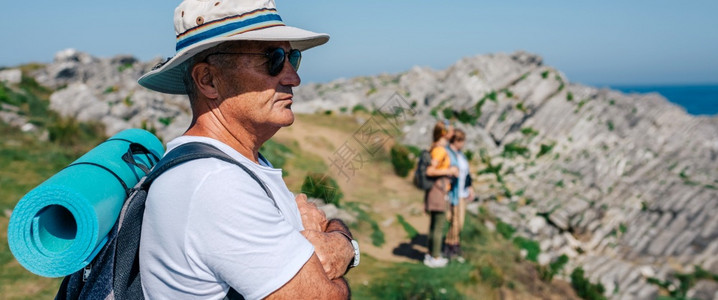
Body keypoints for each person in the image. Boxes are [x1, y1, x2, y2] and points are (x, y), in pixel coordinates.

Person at [136, 1, 358, 299]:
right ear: (208, 80)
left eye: (294, 57)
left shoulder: (234, 164)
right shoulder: (215, 182)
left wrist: (336, 243)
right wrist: (341, 242)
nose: (293, 78)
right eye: (274, 58)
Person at [423, 120, 458, 268]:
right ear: (444, 133)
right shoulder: (440, 150)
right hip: (439, 190)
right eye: (451, 130)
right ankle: (435, 257)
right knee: (438, 225)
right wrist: (449, 171)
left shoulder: (436, 148)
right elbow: (430, 170)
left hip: (436, 190)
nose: (453, 132)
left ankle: (431, 254)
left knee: (434, 224)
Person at [444, 129, 474, 262]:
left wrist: (470, 187)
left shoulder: (461, 155)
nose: (463, 144)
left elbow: (466, 173)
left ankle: (454, 243)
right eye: (461, 141)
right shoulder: (448, 153)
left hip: (462, 192)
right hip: (453, 192)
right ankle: (450, 245)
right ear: (456, 141)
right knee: (455, 221)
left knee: (459, 221)